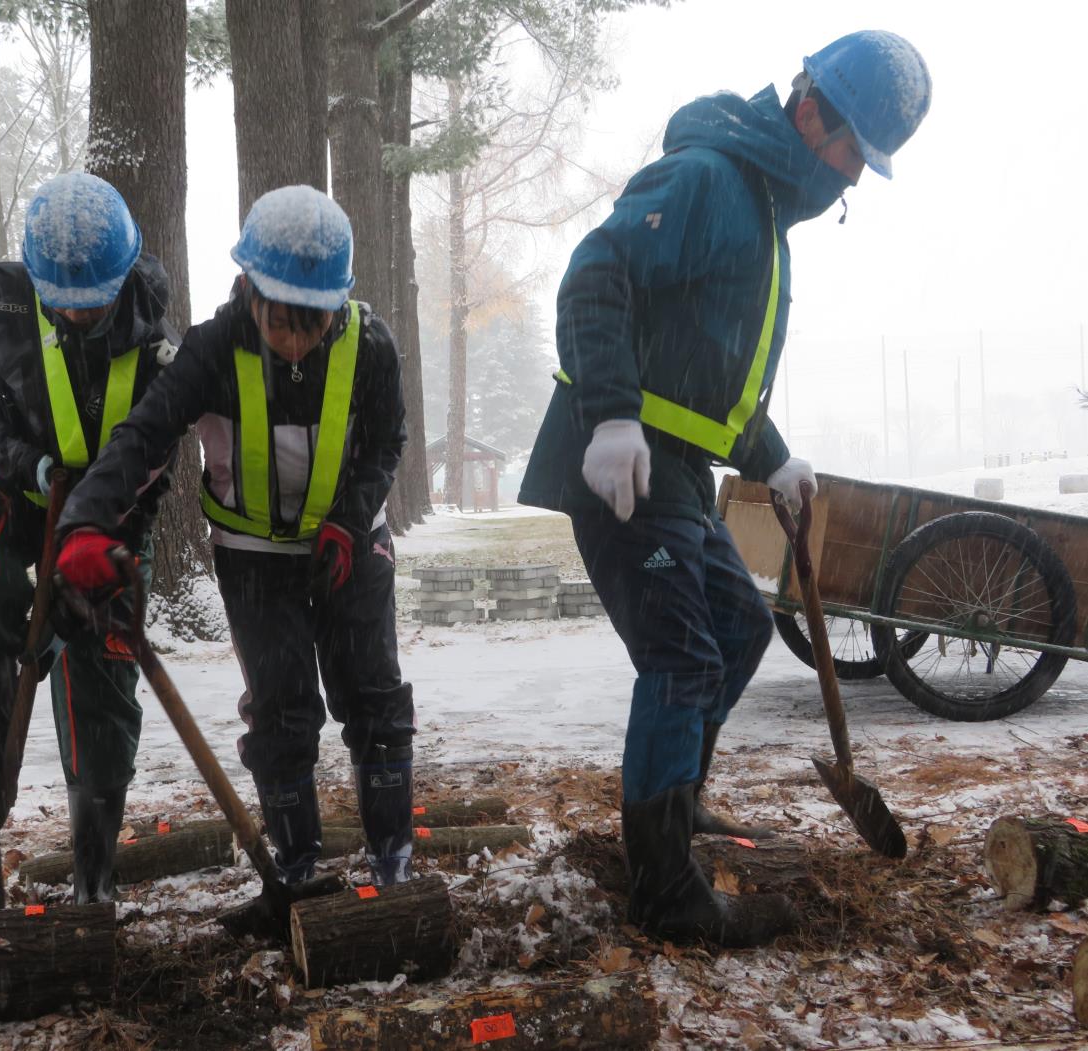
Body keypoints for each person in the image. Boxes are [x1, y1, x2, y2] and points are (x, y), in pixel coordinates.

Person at [519, 31, 931, 946]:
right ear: (811, 110)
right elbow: (596, 273)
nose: (854, 179)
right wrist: (612, 415)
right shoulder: (710, 179)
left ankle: (679, 801)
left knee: (739, 629)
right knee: (683, 658)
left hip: (676, 468)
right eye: (853, 151)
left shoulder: (764, 217)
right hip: (621, 466)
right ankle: (662, 888)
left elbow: (712, 383)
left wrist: (772, 457)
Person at [54, 185, 417, 886]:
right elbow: (146, 434)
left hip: (352, 549)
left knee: (374, 697)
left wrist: (349, 517)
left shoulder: (370, 344)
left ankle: (392, 862)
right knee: (281, 710)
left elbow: (385, 442)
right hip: (255, 562)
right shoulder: (212, 349)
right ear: (251, 290)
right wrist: (85, 522)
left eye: (313, 325)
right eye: (282, 323)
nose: (295, 340)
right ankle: (297, 865)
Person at [0, 172, 181, 905]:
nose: (77, 314)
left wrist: (100, 541)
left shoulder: (157, 334)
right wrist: (24, 463)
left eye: (92, 301)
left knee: (100, 672)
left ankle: (95, 870)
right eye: (62, 301)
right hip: (18, 485)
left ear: (123, 275)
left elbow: (159, 455)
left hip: (108, 520)